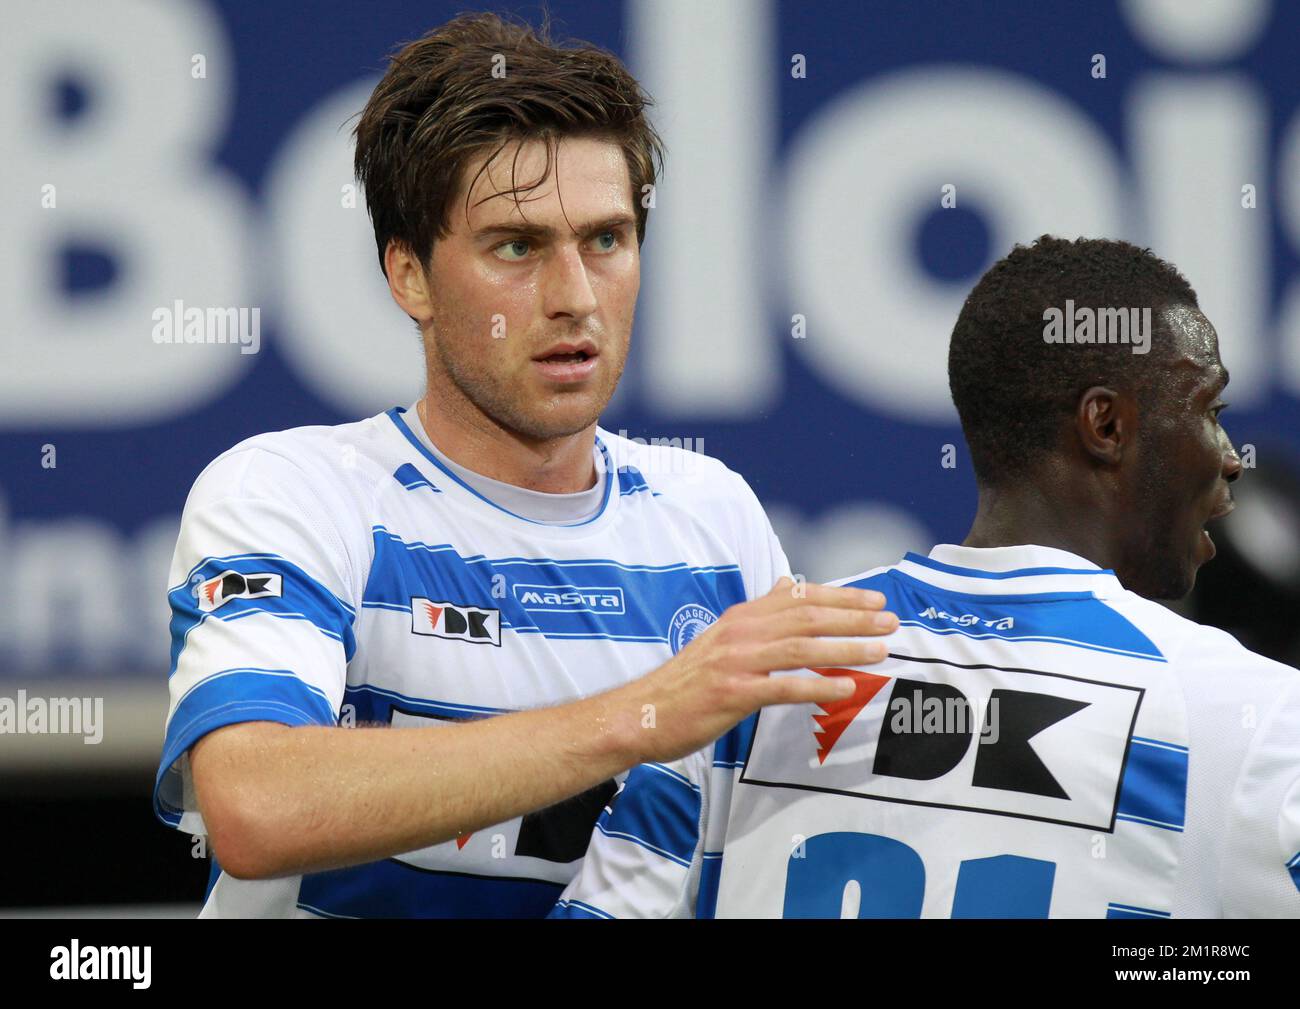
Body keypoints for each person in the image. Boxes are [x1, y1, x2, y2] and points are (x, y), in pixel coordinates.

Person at [152, 12, 894, 918]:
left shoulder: (714, 516)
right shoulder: (291, 491)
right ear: (409, 275)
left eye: (606, 240)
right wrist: (651, 711)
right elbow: (257, 804)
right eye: (517, 246)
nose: (575, 297)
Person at [553, 235, 1300, 918]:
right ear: (1106, 426)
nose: (1231, 454)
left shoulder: (744, 682)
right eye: (1209, 409)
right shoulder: (1251, 721)